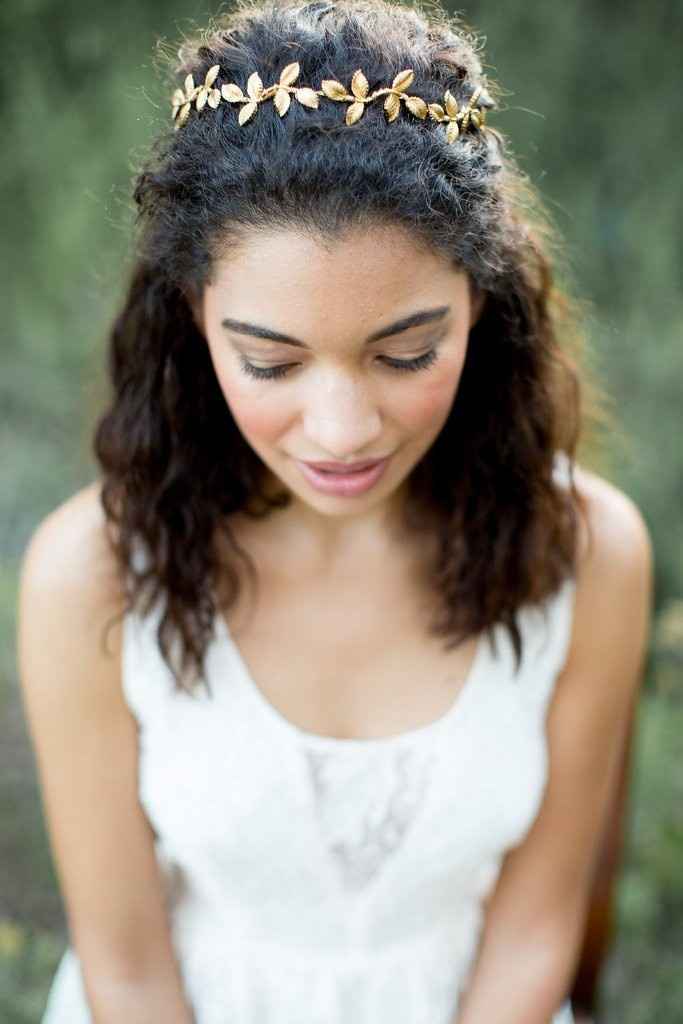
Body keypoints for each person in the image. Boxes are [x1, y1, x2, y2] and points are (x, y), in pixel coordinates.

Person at [17, 1, 653, 1022]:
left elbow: (535, 929)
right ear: (193, 316)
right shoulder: (88, 574)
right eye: (269, 361)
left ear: (481, 301)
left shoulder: (586, 552)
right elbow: (126, 972)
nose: (341, 428)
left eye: (405, 353)